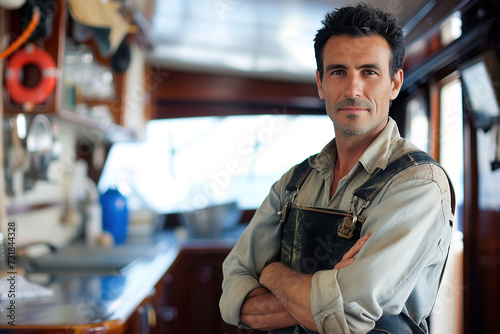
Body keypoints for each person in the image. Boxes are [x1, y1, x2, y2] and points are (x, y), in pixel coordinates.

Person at [219, 3, 455, 334]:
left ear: (395, 83)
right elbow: (233, 297)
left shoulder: (418, 184)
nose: (352, 89)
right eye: (338, 71)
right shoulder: (294, 182)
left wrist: (274, 274)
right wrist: (328, 293)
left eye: (369, 72)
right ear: (321, 83)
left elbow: (348, 315)